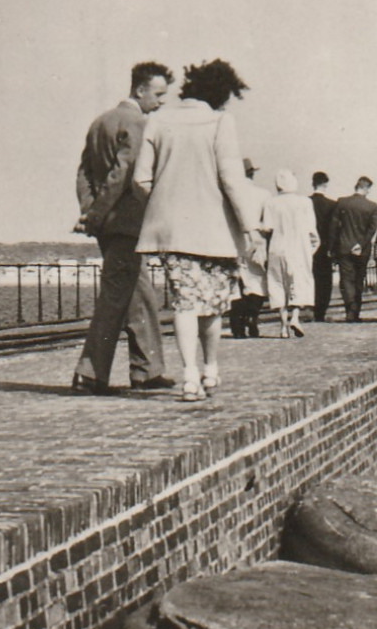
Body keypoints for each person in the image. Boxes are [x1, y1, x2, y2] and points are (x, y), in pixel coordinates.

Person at [134, 59, 257, 402]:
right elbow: (232, 180)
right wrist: (251, 229)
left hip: (172, 232)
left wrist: (164, 201)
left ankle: (189, 377)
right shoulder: (220, 121)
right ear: (222, 94)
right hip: (215, 232)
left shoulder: (156, 120)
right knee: (213, 305)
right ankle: (210, 368)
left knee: (185, 303)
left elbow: (141, 179)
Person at [71, 61, 174, 394]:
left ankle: (147, 369)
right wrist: (99, 213)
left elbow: (85, 173)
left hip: (109, 227)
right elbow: (123, 175)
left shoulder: (100, 122)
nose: (161, 102)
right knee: (116, 298)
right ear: (140, 90)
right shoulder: (139, 124)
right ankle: (90, 373)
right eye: (158, 94)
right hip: (127, 225)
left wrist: (89, 213)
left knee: (140, 294)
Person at [258, 168, 319, 338]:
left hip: (278, 247)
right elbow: (311, 230)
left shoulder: (271, 203)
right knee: (299, 281)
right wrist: (312, 248)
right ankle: (295, 317)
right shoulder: (305, 202)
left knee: (278, 284)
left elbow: (267, 228)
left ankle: (283, 326)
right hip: (299, 247)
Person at [228, 158, 269, 340]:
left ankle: (237, 326)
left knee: (234, 284)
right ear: (252, 173)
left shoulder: (228, 194)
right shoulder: (263, 194)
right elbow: (268, 224)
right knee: (257, 282)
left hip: (232, 242)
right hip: (256, 241)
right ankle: (252, 317)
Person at [330, 176, 377, 323]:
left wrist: (332, 247)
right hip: (362, 250)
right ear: (366, 188)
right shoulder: (372, 206)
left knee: (347, 280)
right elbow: (372, 229)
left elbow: (334, 226)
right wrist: (361, 244)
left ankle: (350, 309)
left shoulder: (342, 202)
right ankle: (355, 311)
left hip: (344, 247)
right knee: (359, 280)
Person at [309, 171, 336, 322]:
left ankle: (310, 309)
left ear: (313, 183)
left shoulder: (306, 202)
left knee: (310, 278)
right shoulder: (332, 205)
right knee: (325, 281)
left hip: (308, 247)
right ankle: (321, 312)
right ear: (326, 184)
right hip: (326, 248)